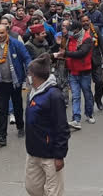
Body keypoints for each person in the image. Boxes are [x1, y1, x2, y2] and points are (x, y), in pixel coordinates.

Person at [24, 54, 69, 196]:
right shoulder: (33, 92)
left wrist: (59, 155)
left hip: (50, 155)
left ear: (35, 76)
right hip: (33, 152)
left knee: (53, 192)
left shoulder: (54, 96)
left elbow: (62, 127)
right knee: (32, 188)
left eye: (29, 74)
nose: (27, 76)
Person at [0, 24, 31, 147]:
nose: (0, 36)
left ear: (7, 32)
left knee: (17, 106)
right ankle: (1, 136)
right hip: (1, 83)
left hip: (15, 82)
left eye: (2, 33)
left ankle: (20, 126)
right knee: (3, 109)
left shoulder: (16, 44)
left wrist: (30, 73)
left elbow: (26, 58)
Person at [55, 18, 94, 130]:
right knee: (75, 96)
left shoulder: (87, 39)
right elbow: (61, 50)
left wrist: (66, 53)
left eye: (72, 30)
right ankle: (76, 119)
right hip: (73, 71)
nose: (70, 32)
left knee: (87, 94)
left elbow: (81, 53)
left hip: (84, 72)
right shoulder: (68, 38)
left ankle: (89, 114)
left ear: (77, 29)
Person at [81, 14, 103, 111]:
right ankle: (90, 101)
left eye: (86, 20)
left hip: (96, 60)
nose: (85, 23)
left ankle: (98, 99)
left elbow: (101, 43)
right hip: (84, 63)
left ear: (89, 21)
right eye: (83, 21)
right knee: (86, 85)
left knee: (99, 82)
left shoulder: (95, 29)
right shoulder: (79, 32)